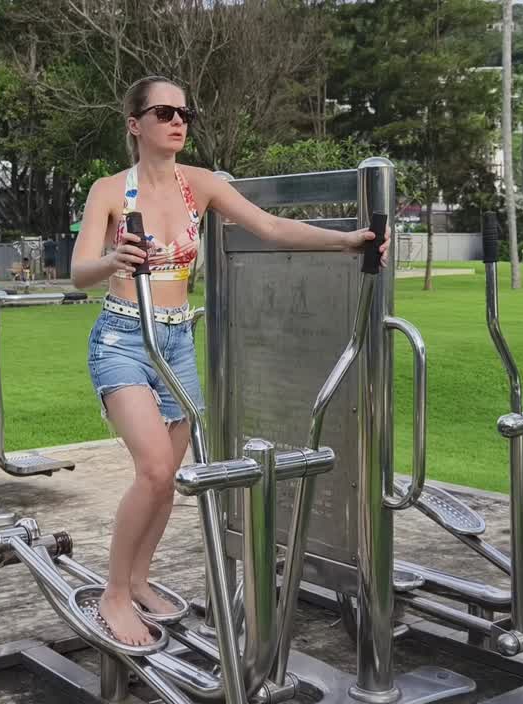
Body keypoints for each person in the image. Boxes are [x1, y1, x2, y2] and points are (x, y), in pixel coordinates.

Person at [70, 75, 388, 645]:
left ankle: (140, 580)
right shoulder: (110, 191)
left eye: (185, 113)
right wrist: (114, 257)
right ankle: (114, 595)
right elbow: (78, 271)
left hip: (176, 341)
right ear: (134, 124)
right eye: (164, 112)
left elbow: (269, 227)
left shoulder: (202, 185)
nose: (178, 121)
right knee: (153, 471)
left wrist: (347, 240)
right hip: (122, 338)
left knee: (170, 483)